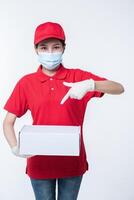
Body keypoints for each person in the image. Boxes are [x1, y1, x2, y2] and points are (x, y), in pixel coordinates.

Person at [3, 21, 124, 200]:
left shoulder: (78, 77)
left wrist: (91, 84)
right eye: (44, 47)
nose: (50, 52)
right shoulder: (26, 83)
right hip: (39, 162)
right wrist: (15, 147)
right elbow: (8, 122)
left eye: (56, 47)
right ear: (36, 50)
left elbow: (119, 88)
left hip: (72, 163)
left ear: (63, 48)